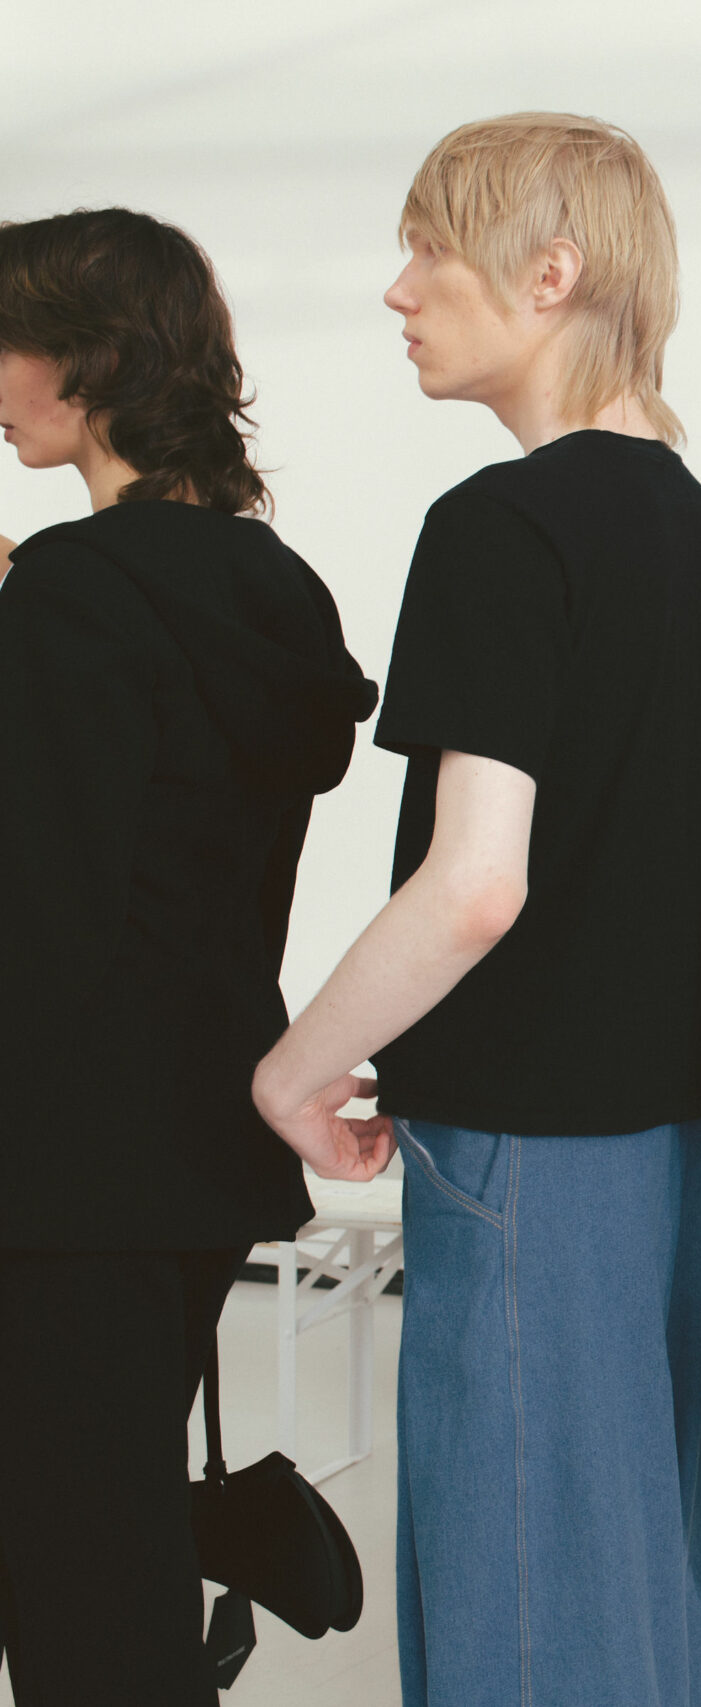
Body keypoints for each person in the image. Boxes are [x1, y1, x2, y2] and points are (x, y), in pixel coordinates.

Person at [250, 113, 701, 1707]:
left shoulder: (500, 524)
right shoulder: (696, 527)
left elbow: (477, 883)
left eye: (431, 252)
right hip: (655, 1147)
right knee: (634, 1583)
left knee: (522, 1608)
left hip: (524, 1153)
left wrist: (294, 1069)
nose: (398, 290)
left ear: (552, 275)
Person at [0, 208, 375, 1705]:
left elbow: (44, 905)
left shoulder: (70, 593)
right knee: (106, 1537)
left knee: (82, 1593)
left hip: (60, 1162)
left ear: (88, 364)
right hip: (201, 1135)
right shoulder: (271, 588)